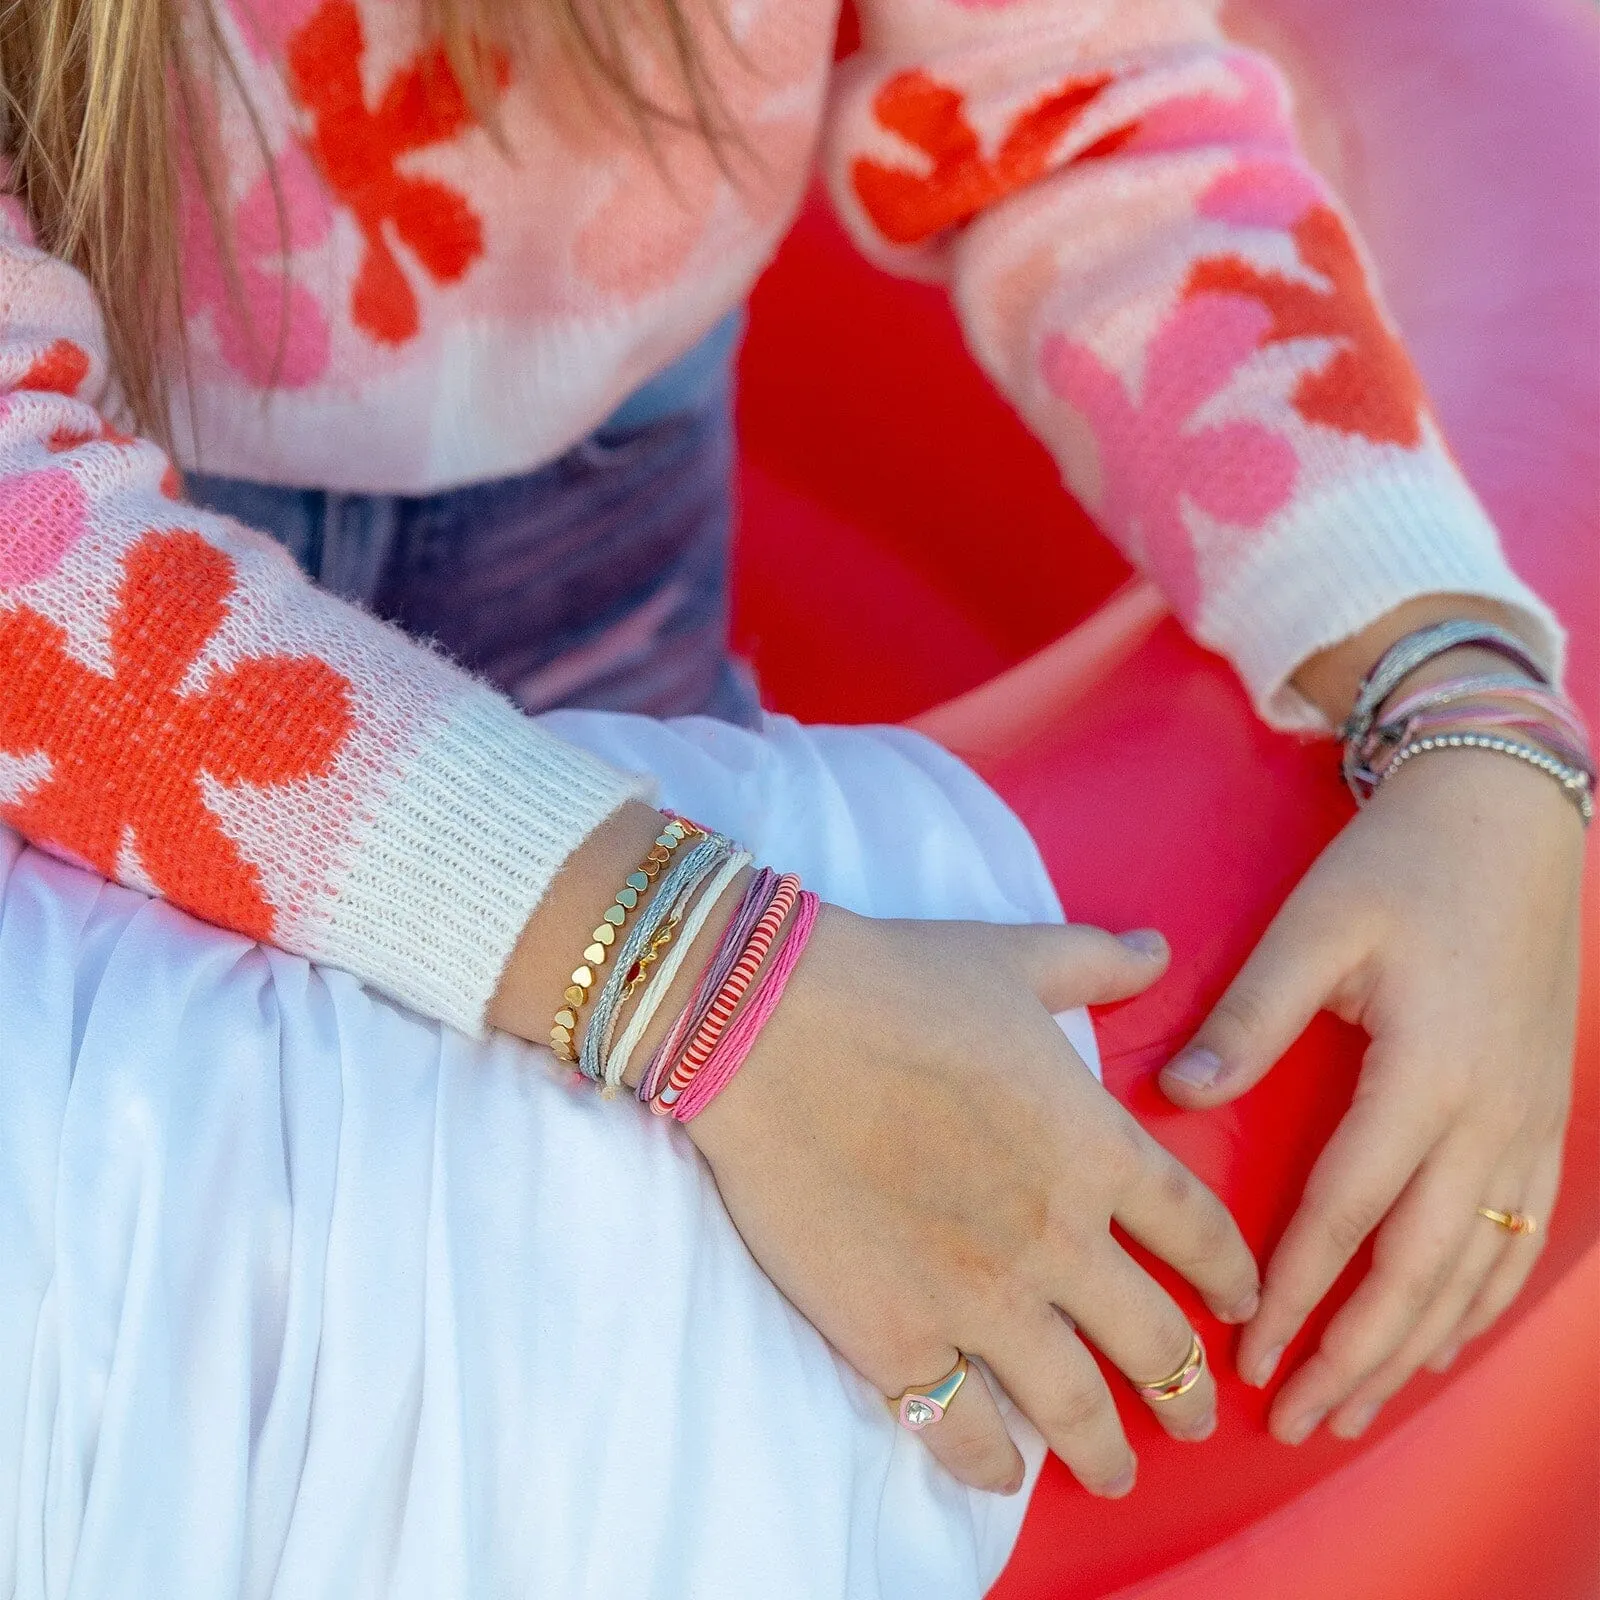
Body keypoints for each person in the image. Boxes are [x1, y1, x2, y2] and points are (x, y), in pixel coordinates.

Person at [0, 0, 1586, 1513]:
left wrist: (1461, 689)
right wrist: (701, 974)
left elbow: (1083, 118)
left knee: (607, 1254)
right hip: (93, 516)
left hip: (599, 480)